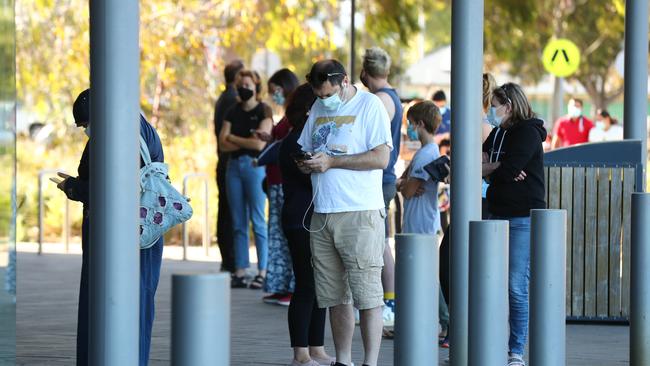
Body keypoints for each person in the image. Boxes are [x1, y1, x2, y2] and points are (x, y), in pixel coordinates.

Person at [59, 89, 165, 366]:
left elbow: (114, 190)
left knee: (112, 305)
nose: (85, 130)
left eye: (85, 124)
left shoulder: (116, 134)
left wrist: (73, 187)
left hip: (120, 234)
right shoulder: (140, 127)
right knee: (137, 304)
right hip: (144, 229)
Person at [298, 59, 392, 366]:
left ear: (344, 81)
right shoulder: (317, 108)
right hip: (323, 211)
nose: (324, 100)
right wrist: (307, 162)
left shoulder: (370, 106)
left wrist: (333, 163)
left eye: (328, 93)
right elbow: (307, 146)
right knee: (334, 295)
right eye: (319, 94)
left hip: (360, 212)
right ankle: (343, 360)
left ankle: (371, 362)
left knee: (367, 294)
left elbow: (381, 158)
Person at [482, 82, 546, 366]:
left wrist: (498, 168)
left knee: (515, 284)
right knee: (491, 282)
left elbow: (509, 170)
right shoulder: (497, 133)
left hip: (521, 216)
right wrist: (499, 167)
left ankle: (515, 351)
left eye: (494, 105)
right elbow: (473, 164)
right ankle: (493, 343)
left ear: (508, 107)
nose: (490, 111)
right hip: (495, 213)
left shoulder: (528, 133)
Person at [279, 83, 334, 366]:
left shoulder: (307, 137)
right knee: (306, 284)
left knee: (320, 284)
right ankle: (301, 352)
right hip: (301, 218)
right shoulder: (296, 141)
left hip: (313, 216)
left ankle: (317, 347)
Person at [395, 100, 448, 345]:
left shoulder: (427, 154)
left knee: (425, 275)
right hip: (419, 220)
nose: (409, 128)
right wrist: (404, 183)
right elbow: (403, 182)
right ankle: (428, 320)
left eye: (411, 123)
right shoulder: (426, 152)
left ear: (420, 123)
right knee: (422, 274)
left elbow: (407, 189)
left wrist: (403, 184)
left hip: (420, 222)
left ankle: (445, 321)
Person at [218, 70, 273, 289]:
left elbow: (259, 144)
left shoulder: (264, 110)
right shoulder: (232, 110)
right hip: (233, 168)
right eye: (241, 84)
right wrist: (245, 140)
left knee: (258, 221)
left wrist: (233, 138)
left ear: (256, 87)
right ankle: (240, 270)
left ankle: (263, 270)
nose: (244, 88)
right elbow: (222, 143)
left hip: (255, 167)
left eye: (248, 84)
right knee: (238, 221)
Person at [360, 46, 402, 328]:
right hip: (383, 176)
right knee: (379, 241)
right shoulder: (389, 97)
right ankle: (387, 300)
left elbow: (372, 137)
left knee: (380, 242)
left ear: (366, 71)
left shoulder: (381, 101)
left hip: (381, 176)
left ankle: (389, 302)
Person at [261, 68, 299, 305]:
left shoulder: (294, 116)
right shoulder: (285, 116)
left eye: (275, 90)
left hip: (284, 182)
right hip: (274, 181)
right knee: (276, 234)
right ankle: (279, 284)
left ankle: (289, 287)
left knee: (284, 235)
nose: (273, 95)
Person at [214, 59, 244, 273]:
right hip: (229, 160)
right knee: (230, 212)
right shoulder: (232, 100)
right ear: (236, 77)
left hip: (223, 159)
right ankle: (231, 260)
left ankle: (229, 260)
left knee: (225, 210)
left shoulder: (222, 98)